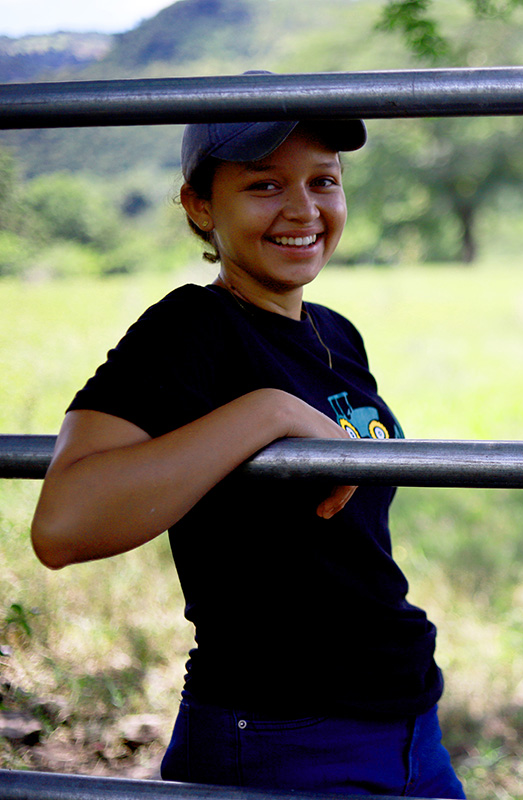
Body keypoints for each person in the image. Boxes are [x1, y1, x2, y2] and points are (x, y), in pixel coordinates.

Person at [29, 114, 466, 798]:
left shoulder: (335, 333)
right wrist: (271, 411)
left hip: (408, 724)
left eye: (324, 181)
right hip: (281, 735)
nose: (304, 209)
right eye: (265, 185)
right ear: (199, 204)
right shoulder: (191, 329)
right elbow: (63, 523)